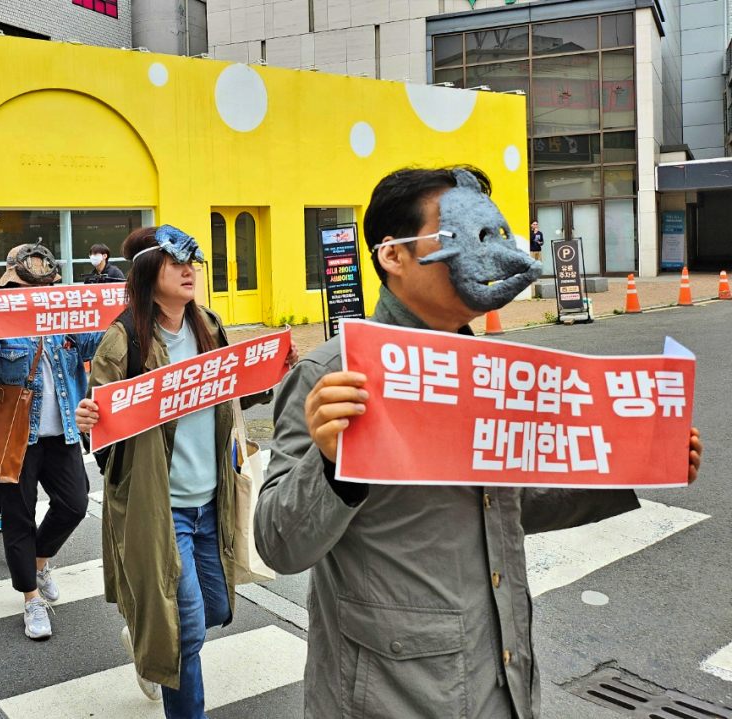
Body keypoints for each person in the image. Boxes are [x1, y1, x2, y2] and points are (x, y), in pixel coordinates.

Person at [253, 167, 703, 719]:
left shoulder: (496, 374)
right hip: (389, 697)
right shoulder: (333, 377)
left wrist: (633, 460)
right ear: (392, 256)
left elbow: (510, 502)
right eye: (460, 236)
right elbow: (277, 543)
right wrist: (329, 466)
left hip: (503, 684)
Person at [74, 225, 296, 718]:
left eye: (192, 263)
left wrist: (271, 375)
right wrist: (92, 418)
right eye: (176, 264)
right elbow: (103, 428)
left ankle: (147, 633)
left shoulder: (209, 326)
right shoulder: (124, 337)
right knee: (186, 632)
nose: (189, 271)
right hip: (160, 506)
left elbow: (230, 393)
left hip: (211, 498)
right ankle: (166, 659)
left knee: (218, 608)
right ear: (148, 273)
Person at [0, 243, 103, 641]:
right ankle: (31, 599)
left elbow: (94, 344)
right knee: (19, 518)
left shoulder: (63, 311)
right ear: (12, 271)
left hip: (63, 434)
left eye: (44, 265)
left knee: (75, 504)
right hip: (15, 438)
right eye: (30, 266)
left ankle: (40, 563)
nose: (39, 269)